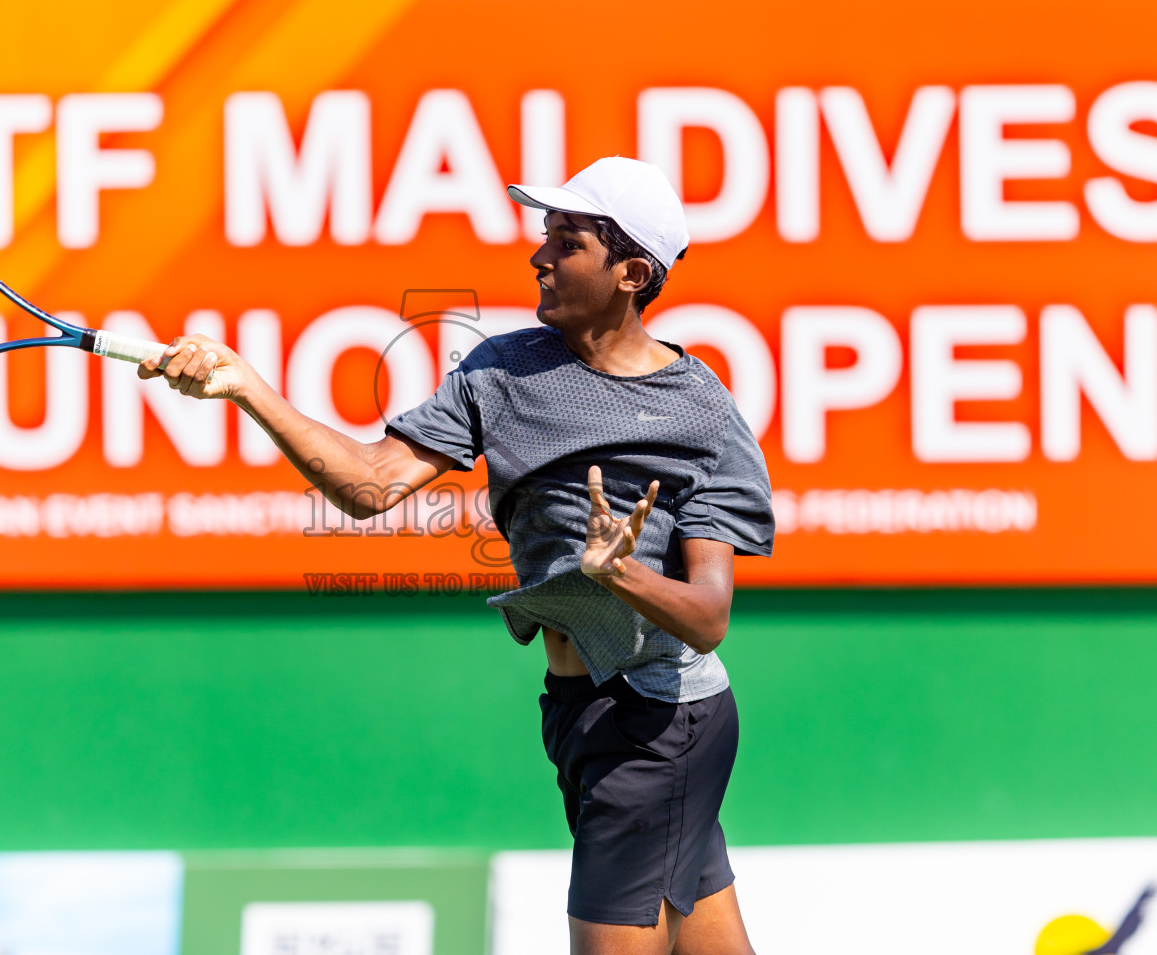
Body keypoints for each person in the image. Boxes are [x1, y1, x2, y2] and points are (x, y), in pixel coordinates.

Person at [139, 156, 774, 955]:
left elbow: (709, 619)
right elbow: (372, 485)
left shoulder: (703, 416)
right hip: (579, 712)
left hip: (661, 719)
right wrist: (249, 389)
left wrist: (623, 572)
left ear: (631, 272)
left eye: (566, 242)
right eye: (544, 236)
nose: (538, 257)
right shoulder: (500, 370)